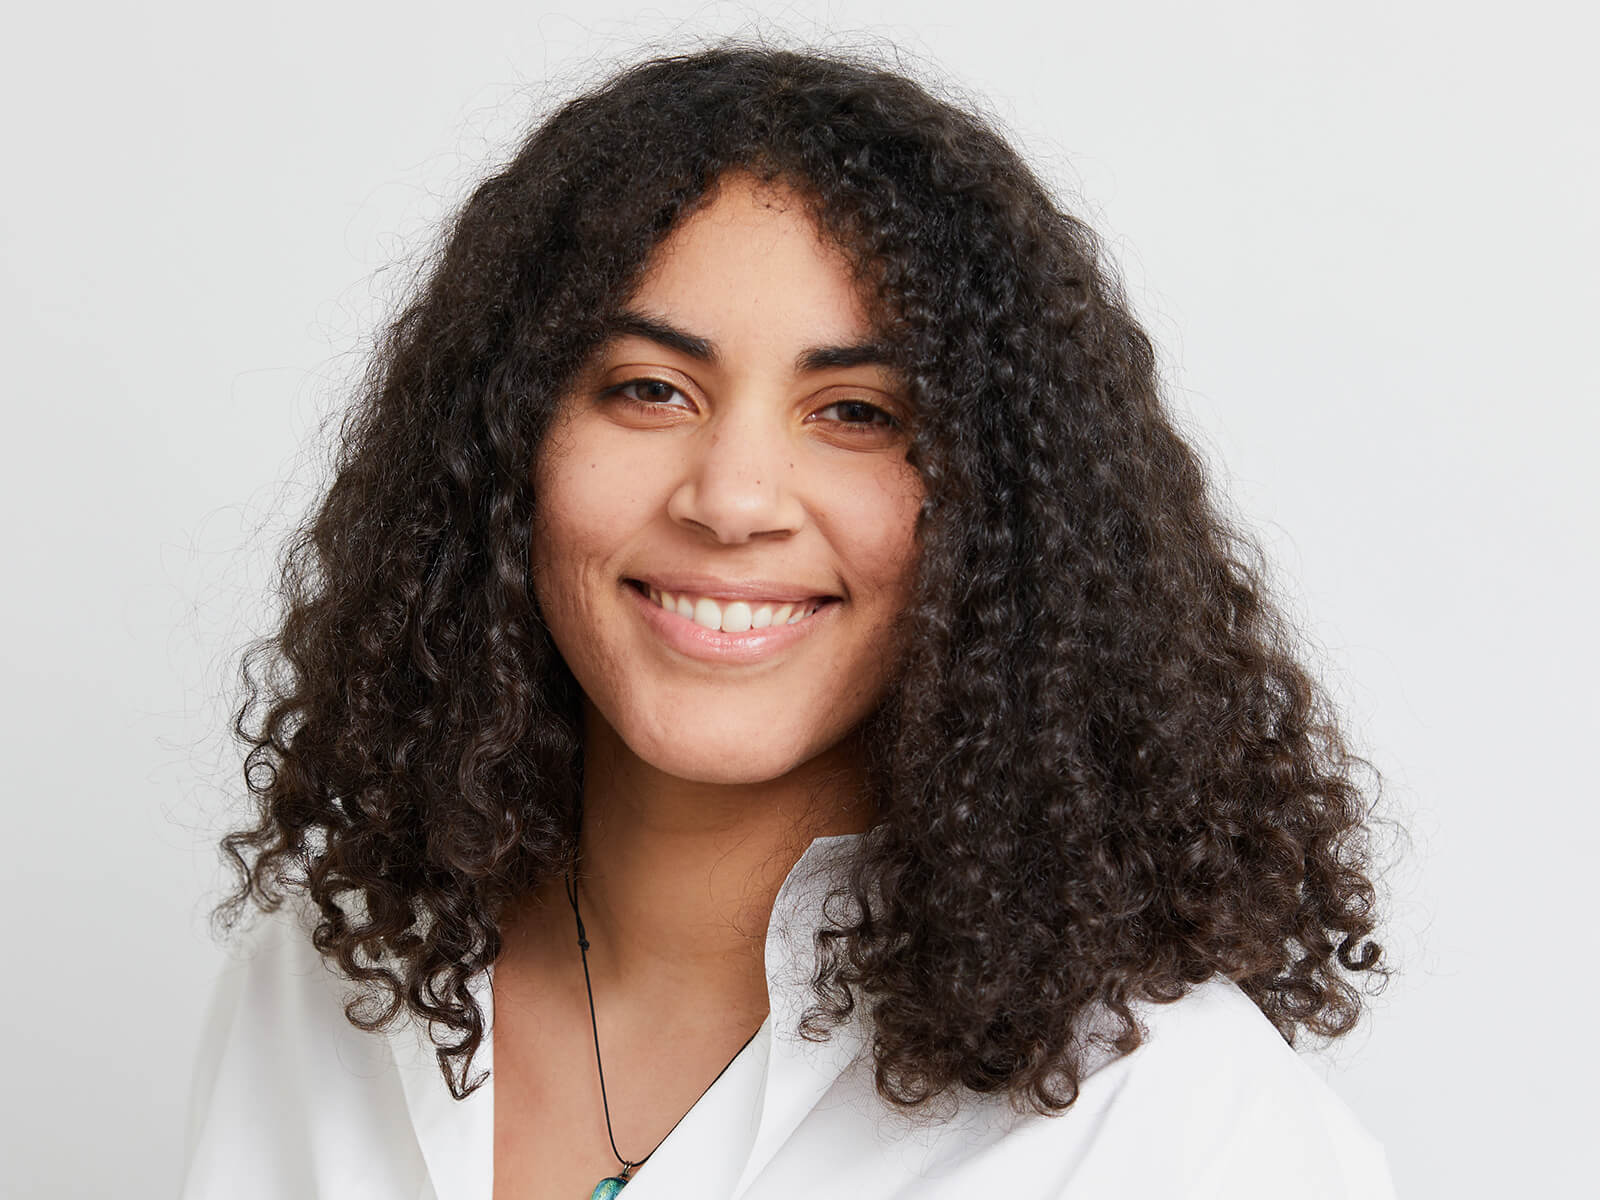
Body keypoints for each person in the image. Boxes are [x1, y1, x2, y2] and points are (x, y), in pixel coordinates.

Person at [181, 42, 1397, 1199]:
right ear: (499, 455)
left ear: (1006, 517)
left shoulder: (1168, 1127)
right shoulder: (325, 982)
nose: (733, 499)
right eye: (649, 391)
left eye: (857, 411)